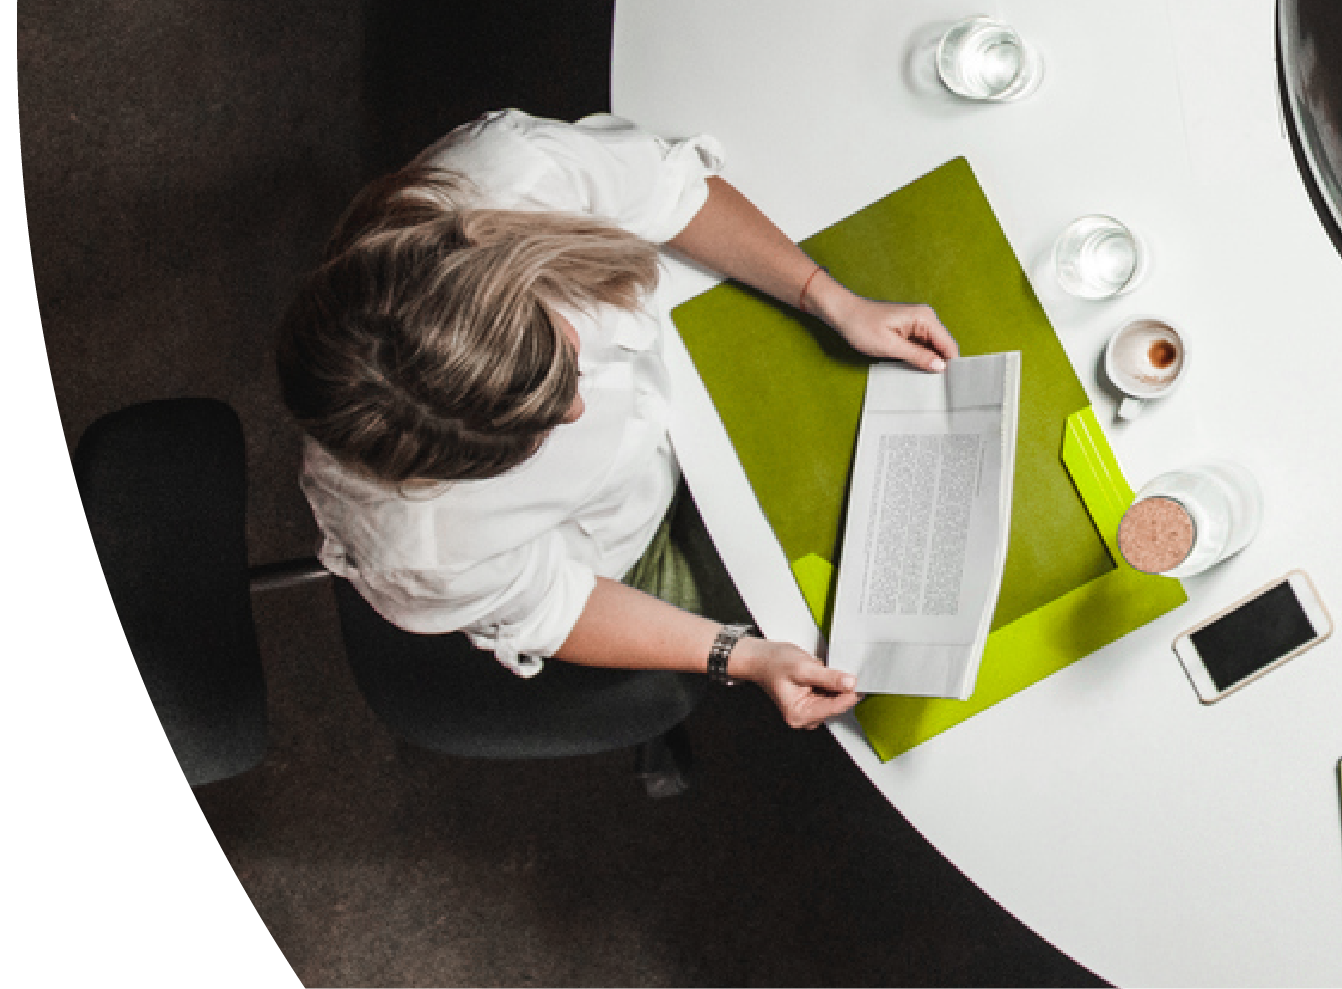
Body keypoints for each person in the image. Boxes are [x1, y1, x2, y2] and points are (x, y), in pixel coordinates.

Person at [280, 107, 953, 724]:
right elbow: (556, 605)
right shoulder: (421, 546)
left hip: (691, 346)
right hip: (635, 538)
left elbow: (673, 194)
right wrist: (740, 656)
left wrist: (830, 299)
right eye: (531, 437)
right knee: (871, 617)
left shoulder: (514, 177)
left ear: (513, 264)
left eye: (560, 362)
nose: (577, 409)